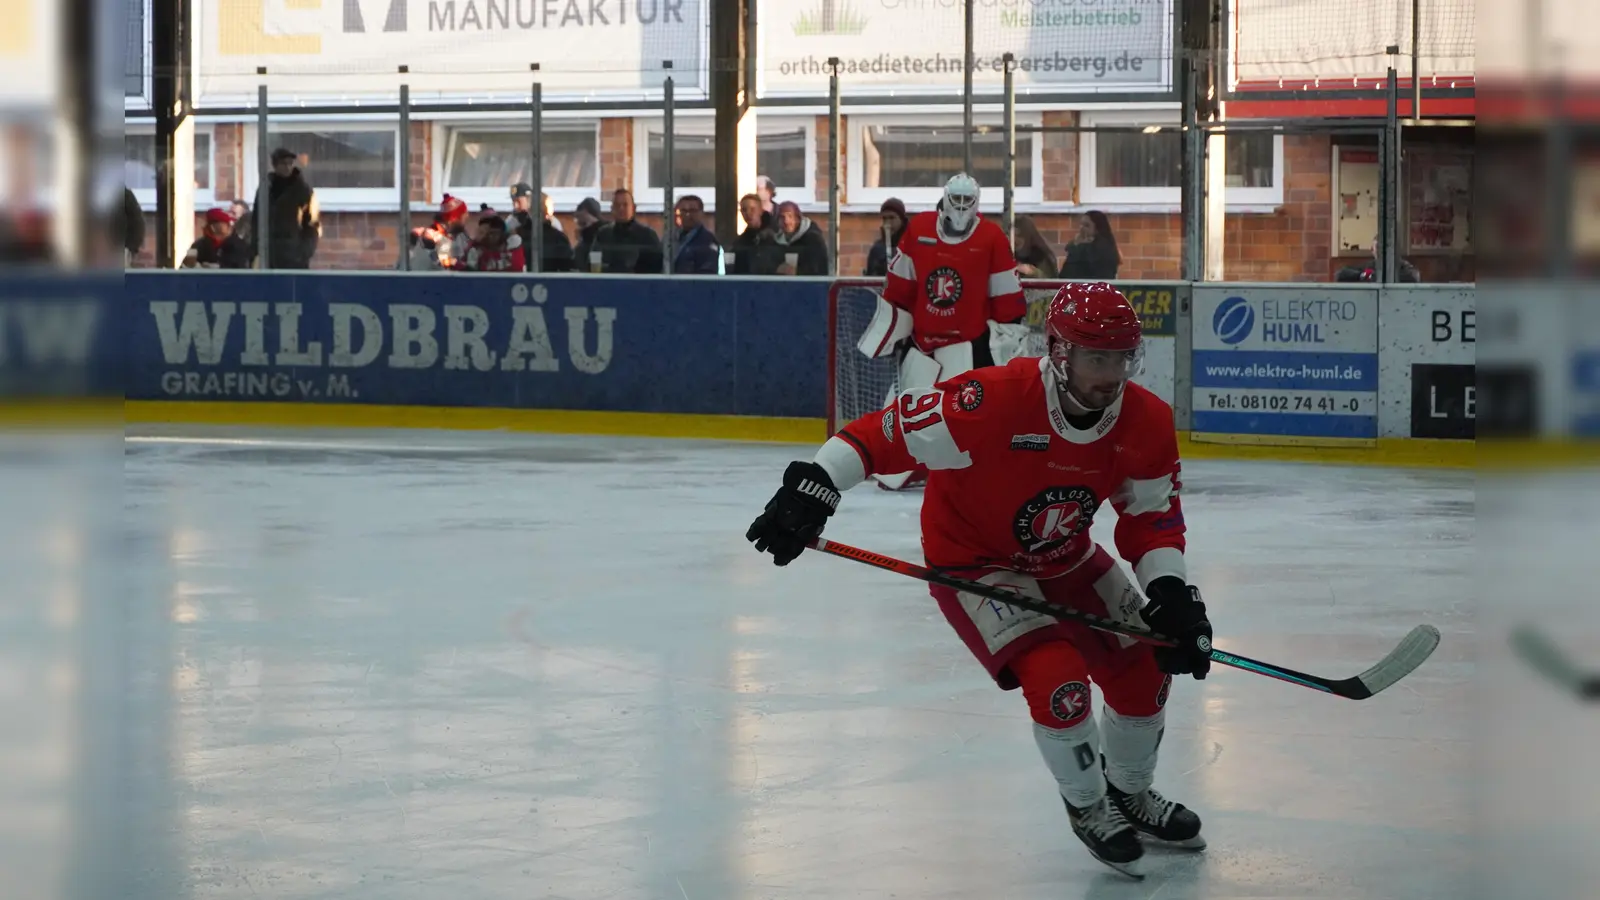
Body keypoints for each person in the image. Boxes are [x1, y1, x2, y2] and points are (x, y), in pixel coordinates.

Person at [744, 282, 1211, 879]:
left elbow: (1151, 518)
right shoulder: (990, 401)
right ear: (1062, 354)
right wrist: (814, 486)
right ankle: (1089, 804)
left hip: (1065, 557)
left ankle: (1129, 793)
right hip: (975, 565)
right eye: (1098, 358)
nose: (1112, 374)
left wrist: (1170, 592)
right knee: (1058, 679)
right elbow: (879, 435)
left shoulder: (1145, 420)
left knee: (1146, 668)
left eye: (1122, 358)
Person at [857, 172, 1027, 490]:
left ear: (976, 204)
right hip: (921, 342)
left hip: (965, 345)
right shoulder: (919, 229)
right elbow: (900, 286)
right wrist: (896, 326)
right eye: (957, 199)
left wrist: (1005, 338)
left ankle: (963, 469)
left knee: (964, 416)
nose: (961, 207)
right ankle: (903, 466)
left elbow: (1007, 296)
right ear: (946, 198)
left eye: (968, 201)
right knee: (906, 411)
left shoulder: (991, 238)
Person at [1062, 210, 1120, 280]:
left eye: (1087, 225)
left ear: (1097, 229)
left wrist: (1077, 247)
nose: (1081, 228)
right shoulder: (1080, 246)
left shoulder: (1101, 249)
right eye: (1081, 224)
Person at [863, 198, 908, 277]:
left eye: (892, 218)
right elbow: (871, 280)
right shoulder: (878, 249)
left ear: (902, 220)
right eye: (884, 219)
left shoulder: (912, 245)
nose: (888, 223)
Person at [1013, 214, 1059, 278]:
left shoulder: (1041, 255)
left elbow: (1050, 280)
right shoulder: (1010, 253)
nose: (1014, 241)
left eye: (1018, 242)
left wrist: (1032, 272)